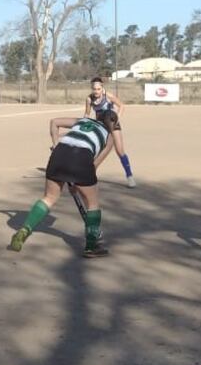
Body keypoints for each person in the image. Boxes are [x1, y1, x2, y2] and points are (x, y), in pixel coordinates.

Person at [9, 112, 117, 257]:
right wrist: (76, 184)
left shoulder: (82, 121)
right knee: (92, 203)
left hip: (59, 153)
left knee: (49, 198)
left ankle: (24, 229)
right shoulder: (110, 137)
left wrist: (55, 144)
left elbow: (54, 122)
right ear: (114, 124)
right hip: (82, 158)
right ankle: (91, 246)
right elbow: (93, 165)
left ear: (97, 118)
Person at [85, 77, 136, 188]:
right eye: (94, 89)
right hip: (100, 125)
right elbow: (87, 114)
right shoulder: (89, 99)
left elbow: (122, 106)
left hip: (112, 122)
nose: (96, 91)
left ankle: (129, 176)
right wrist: (84, 124)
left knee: (120, 150)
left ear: (102, 87)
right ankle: (90, 174)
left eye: (98, 89)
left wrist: (118, 118)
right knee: (97, 150)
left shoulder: (108, 96)